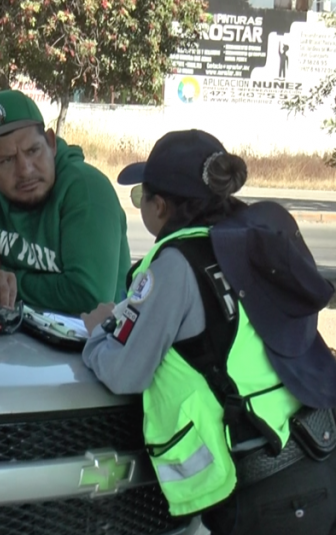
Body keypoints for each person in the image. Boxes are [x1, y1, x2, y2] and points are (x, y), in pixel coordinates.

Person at [80, 129, 336, 534]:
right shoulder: (249, 242)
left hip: (262, 497)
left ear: (159, 206)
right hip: (315, 452)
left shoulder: (176, 264)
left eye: (140, 197)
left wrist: (98, 333)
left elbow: (125, 373)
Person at [0, 89, 130, 315]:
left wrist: (1, 271)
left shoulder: (86, 188)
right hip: (8, 343)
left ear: (51, 143)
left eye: (33, 151)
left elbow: (90, 295)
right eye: (6, 160)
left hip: (91, 347)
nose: (25, 170)